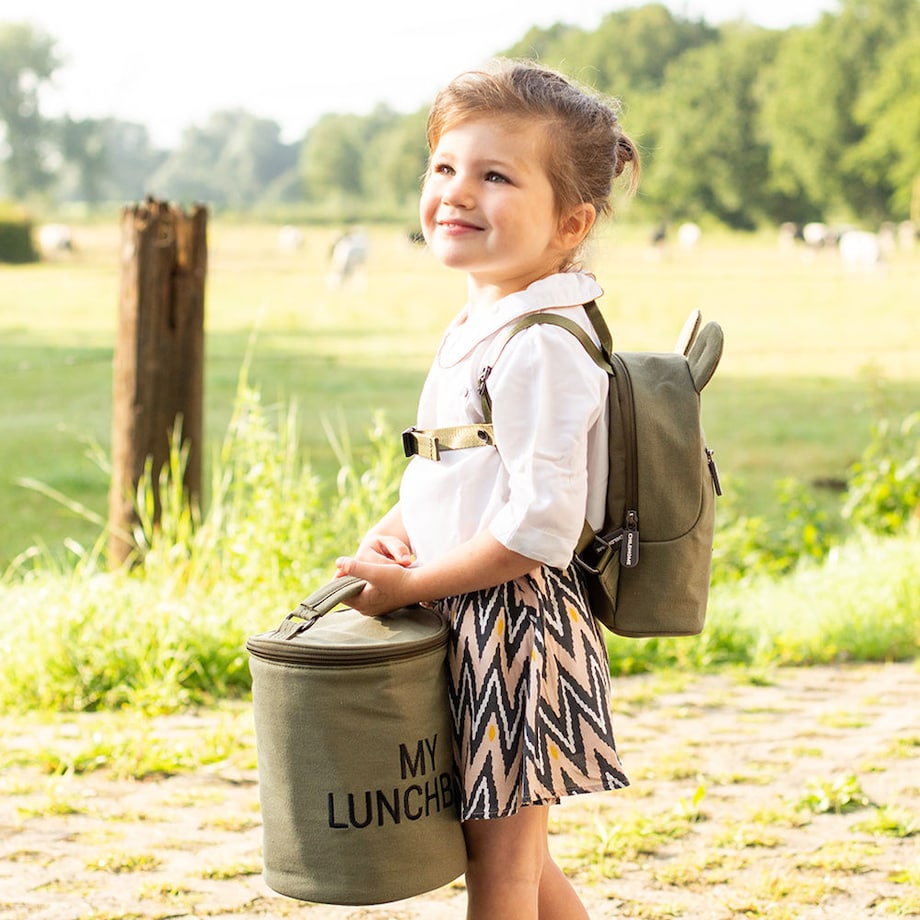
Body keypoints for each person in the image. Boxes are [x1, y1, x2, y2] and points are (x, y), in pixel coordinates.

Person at [335, 60, 639, 920]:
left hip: (514, 628)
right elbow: (466, 468)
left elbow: (540, 526)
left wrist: (410, 585)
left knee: (499, 872)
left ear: (569, 223)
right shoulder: (487, 316)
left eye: (495, 176)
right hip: (471, 605)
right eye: (444, 167)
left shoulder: (540, 342)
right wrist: (401, 526)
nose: (457, 192)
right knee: (523, 868)